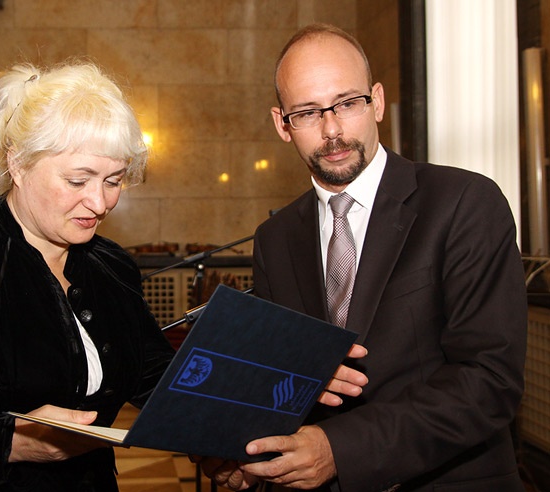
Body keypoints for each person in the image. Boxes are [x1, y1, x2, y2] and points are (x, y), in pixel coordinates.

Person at [0, 60, 366, 492]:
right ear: (17, 163)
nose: (99, 202)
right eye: (78, 180)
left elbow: (162, 380)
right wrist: (11, 440)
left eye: (113, 180)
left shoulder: (109, 266)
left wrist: (275, 387)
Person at [197, 23, 528, 491]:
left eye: (348, 103)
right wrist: (245, 451)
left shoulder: (464, 202)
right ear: (282, 124)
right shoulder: (275, 237)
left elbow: (489, 380)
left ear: (378, 102)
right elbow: (281, 379)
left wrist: (341, 450)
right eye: (307, 113)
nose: (332, 130)